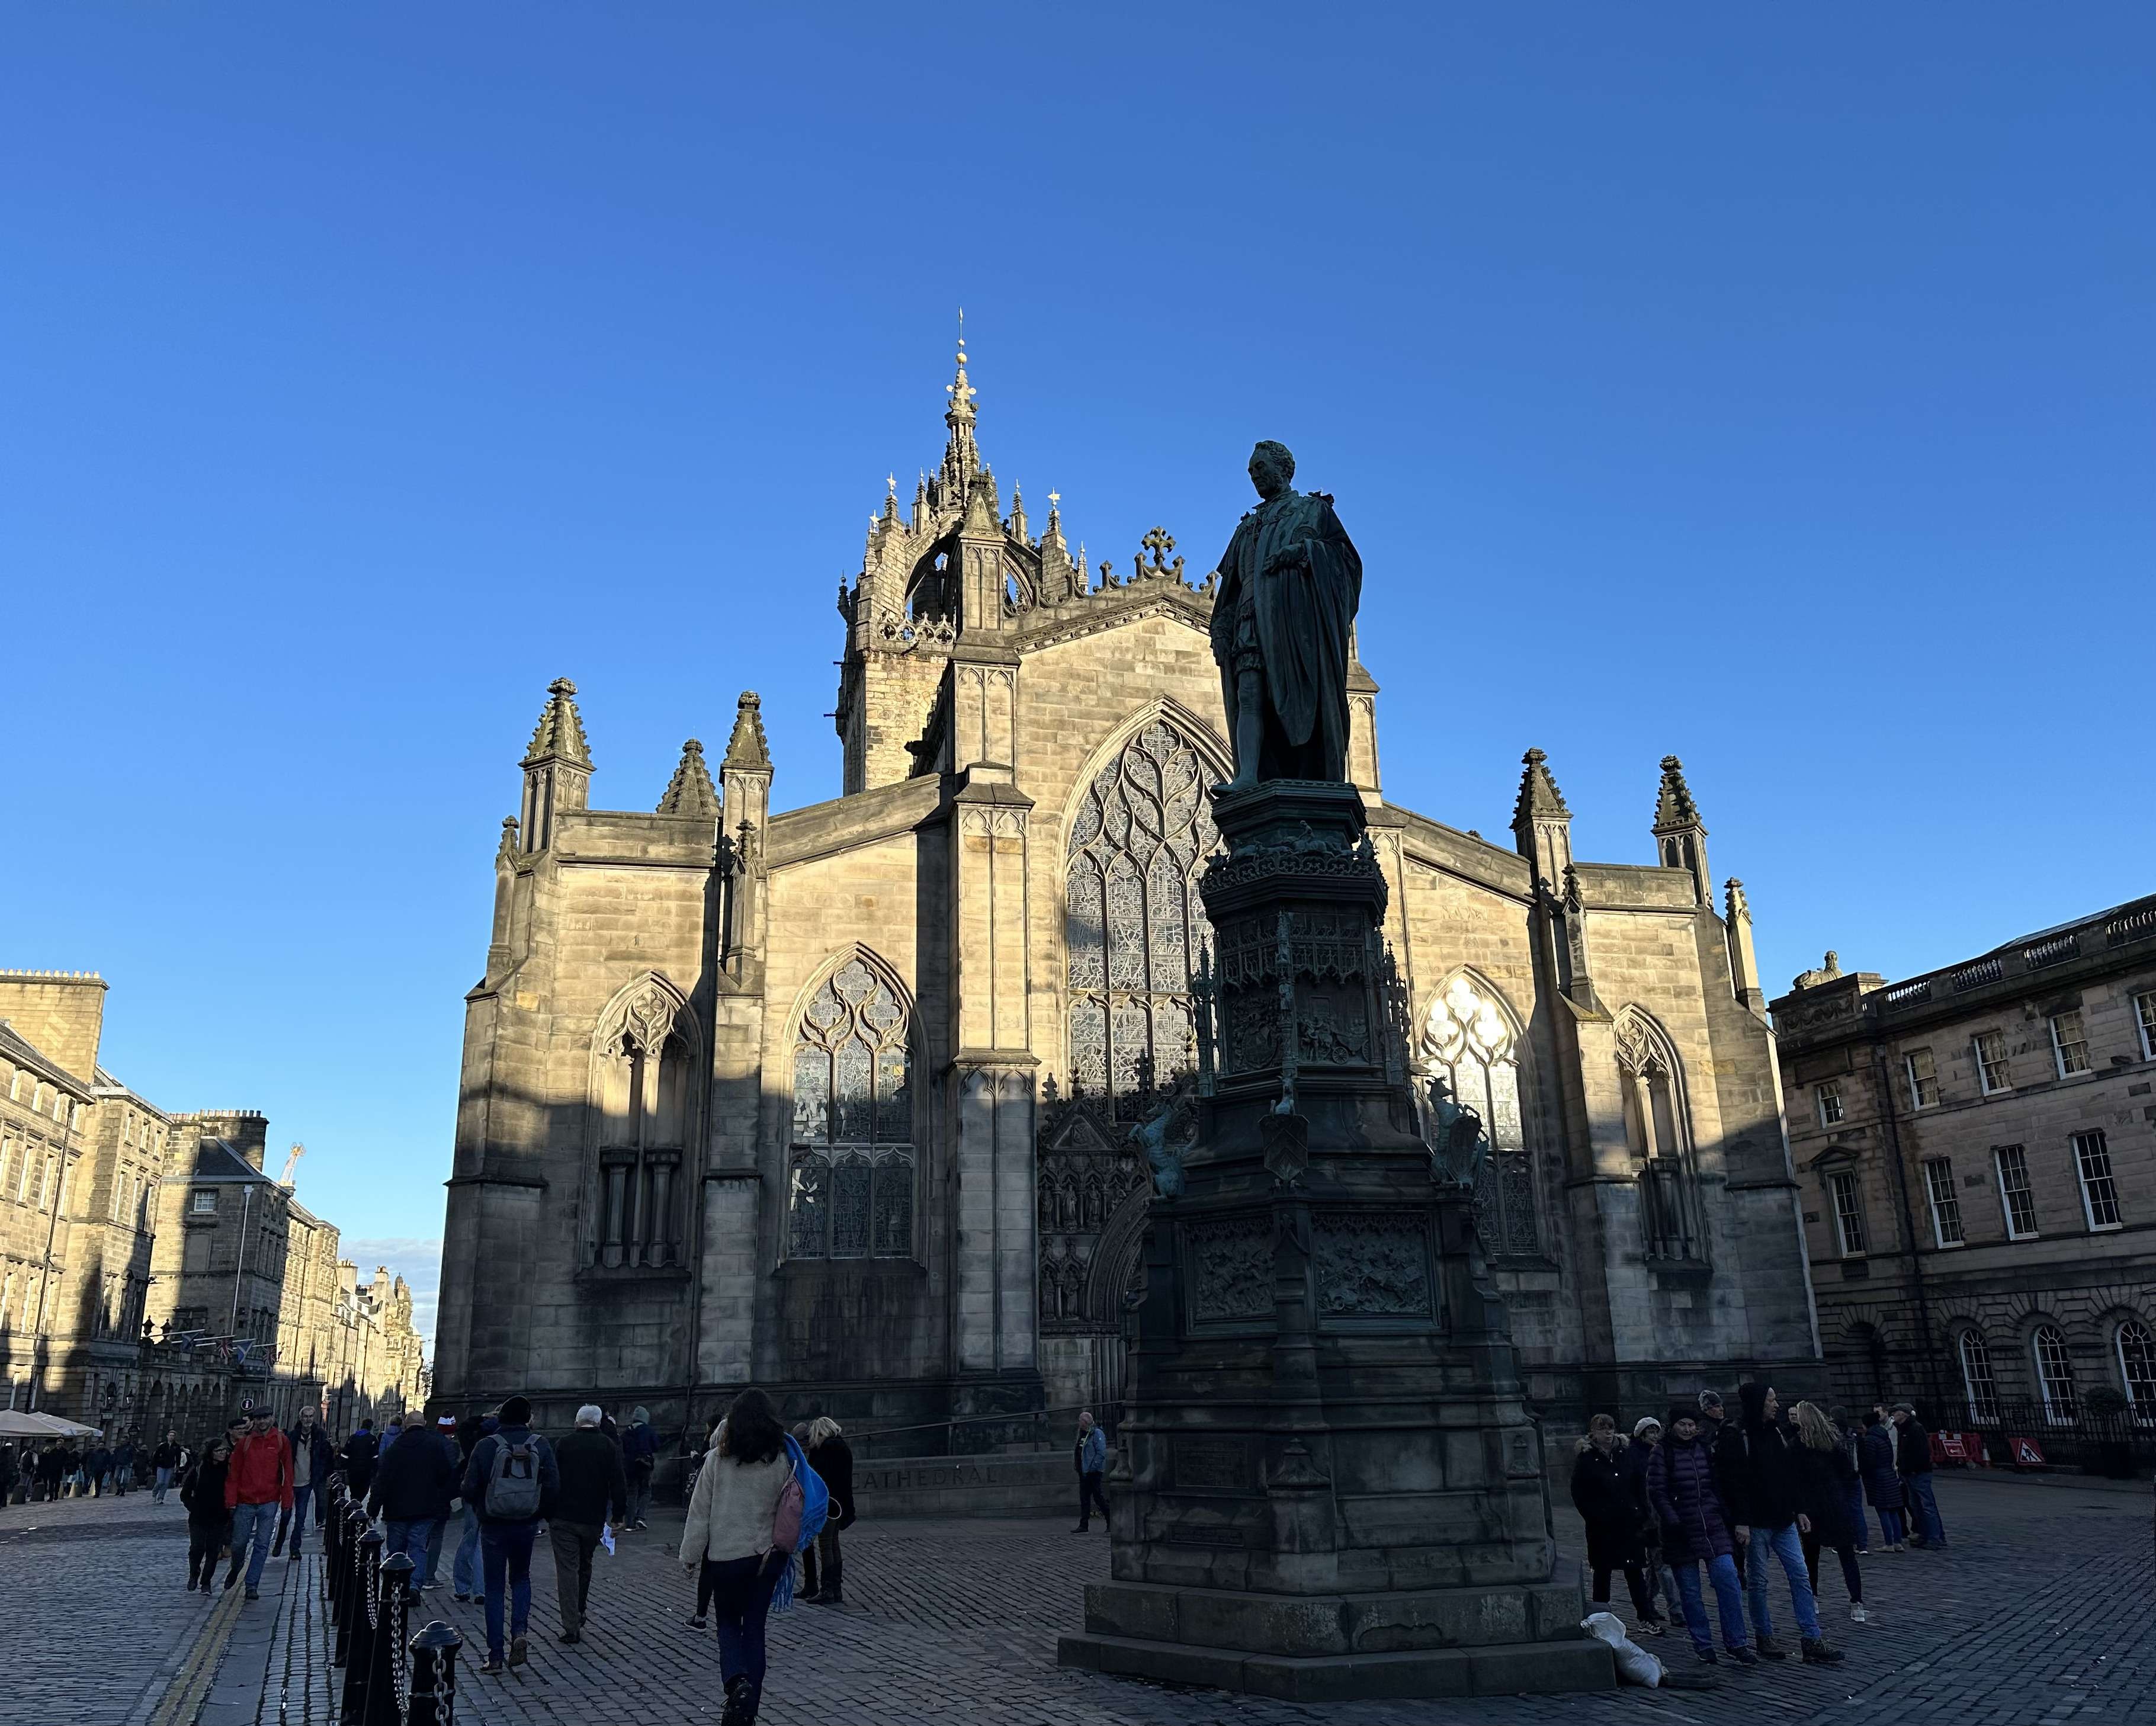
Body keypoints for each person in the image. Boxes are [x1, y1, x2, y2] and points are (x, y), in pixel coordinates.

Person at [679, 1389, 795, 1726]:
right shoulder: (781, 1459)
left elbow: (700, 1512)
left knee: (728, 1625)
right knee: (755, 1629)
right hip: (767, 1557)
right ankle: (748, 1709)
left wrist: (690, 1554)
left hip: (727, 1557)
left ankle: (736, 1683)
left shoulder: (716, 1459)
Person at [1724, 1384, 1843, 1664]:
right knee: (1759, 1582)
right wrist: (1741, 1521)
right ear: (1758, 1403)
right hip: (1756, 1522)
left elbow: (1788, 1474)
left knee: (1800, 1576)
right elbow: (1734, 1482)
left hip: (1783, 1519)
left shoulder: (1776, 1432)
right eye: (1771, 1400)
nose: (1776, 1405)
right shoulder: (1737, 1435)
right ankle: (1764, 1635)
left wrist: (1799, 1508)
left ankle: (1811, 1638)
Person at [1647, 1407, 1753, 1664]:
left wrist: (1725, 1513)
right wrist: (1673, 1520)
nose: (1687, 1429)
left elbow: (1716, 1483)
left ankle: (1737, 1642)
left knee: (1729, 1580)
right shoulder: (1662, 1452)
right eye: (1683, 1424)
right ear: (1673, 1426)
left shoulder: (1705, 1448)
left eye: (1691, 1424)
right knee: (1691, 1593)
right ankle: (1703, 1644)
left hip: (1712, 1524)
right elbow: (1657, 1491)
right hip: (1680, 1531)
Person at [464, 1395, 559, 1676]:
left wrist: (483, 1505)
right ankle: (519, 1631)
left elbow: (469, 1488)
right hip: (526, 1524)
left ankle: (495, 1656)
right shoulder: (540, 1444)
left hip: (493, 1525)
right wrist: (537, 1512)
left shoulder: (485, 1446)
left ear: (500, 1418)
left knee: (494, 1588)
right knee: (521, 1578)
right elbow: (554, 1486)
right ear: (528, 1418)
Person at [1571, 1414, 1660, 1632]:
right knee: (1603, 1573)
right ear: (1593, 1432)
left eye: (1611, 1428)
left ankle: (1645, 1616)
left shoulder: (1625, 1453)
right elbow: (1580, 1493)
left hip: (1630, 1521)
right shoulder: (1587, 1459)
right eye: (1602, 1429)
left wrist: (1642, 1513)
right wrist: (1595, 1516)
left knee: (1635, 1571)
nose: (1608, 1433)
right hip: (1602, 1526)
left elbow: (1639, 1483)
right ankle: (1602, 1620)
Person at [550, 1404, 628, 1644]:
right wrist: (618, 1516)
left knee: (567, 1571)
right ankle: (580, 1609)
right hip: (592, 1519)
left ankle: (571, 1625)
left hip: (563, 1518)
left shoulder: (563, 1443)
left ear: (577, 1422)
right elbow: (618, 1482)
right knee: (585, 1564)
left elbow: (552, 1480)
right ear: (597, 1423)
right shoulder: (608, 1446)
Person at [1791, 1401, 1869, 1624]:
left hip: (1812, 1506)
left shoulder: (1797, 1445)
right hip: (1836, 1503)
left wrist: (1800, 1508)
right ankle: (1857, 1604)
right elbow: (1848, 1474)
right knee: (1847, 1557)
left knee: (1811, 1558)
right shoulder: (1834, 1442)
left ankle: (1813, 1599)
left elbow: (1794, 1479)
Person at [368, 1401, 457, 1576]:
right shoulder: (435, 1446)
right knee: (418, 1548)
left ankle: (395, 1584)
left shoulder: (395, 1449)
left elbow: (382, 1481)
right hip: (425, 1509)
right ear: (424, 1424)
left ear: (406, 1426)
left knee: (396, 1551)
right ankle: (415, 1586)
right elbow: (446, 1476)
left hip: (396, 1510)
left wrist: (373, 1508)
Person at [223, 1404, 294, 1600]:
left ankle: (252, 1585)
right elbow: (234, 1475)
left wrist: (287, 1501)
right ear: (255, 1421)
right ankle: (236, 1569)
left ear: (272, 1418)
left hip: (269, 1501)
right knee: (239, 1544)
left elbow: (288, 1473)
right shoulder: (244, 1444)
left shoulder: (281, 1441)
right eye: (259, 1419)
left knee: (262, 1545)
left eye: (266, 1418)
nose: (262, 1422)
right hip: (245, 1501)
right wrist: (231, 1501)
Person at [1626, 1417, 1682, 1630]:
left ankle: (1649, 1602)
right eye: (1649, 1432)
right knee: (1662, 1564)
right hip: (1647, 1518)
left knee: (1657, 1563)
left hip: (1662, 1516)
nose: (1653, 1436)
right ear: (1641, 1434)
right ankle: (1675, 1610)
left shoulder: (1660, 1453)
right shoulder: (1634, 1456)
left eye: (1656, 1431)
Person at [801, 1416, 855, 1608]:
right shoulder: (842, 1446)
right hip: (841, 1503)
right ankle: (836, 1589)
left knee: (826, 1545)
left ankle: (827, 1589)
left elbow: (818, 1477)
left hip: (829, 1503)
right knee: (833, 1544)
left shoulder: (827, 1449)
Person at [181, 1429, 240, 1592]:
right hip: (199, 1517)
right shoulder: (200, 1469)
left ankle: (206, 1582)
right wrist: (193, 1507)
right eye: (219, 1451)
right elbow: (185, 1493)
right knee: (197, 1548)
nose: (223, 1453)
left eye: (224, 1450)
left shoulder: (228, 1471)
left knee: (213, 1551)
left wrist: (229, 1510)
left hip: (219, 1517)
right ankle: (194, 1575)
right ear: (211, 1452)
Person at [278, 1406, 335, 1559]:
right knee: (285, 1515)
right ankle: (279, 1540)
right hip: (290, 1482)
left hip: (307, 1483)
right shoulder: (292, 1436)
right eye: (305, 1417)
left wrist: (326, 1475)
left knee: (301, 1517)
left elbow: (327, 1457)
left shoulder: (320, 1436)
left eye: (311, 1417)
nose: (308, 1420)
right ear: (300, 1418)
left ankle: (294, 1549)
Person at [1891, 1404, 1947, 1548]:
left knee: (1927, 1506)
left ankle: (1936, 1538)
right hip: (1909, 1473)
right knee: (1917, 1507)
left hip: (1918, 1473)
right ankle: (1927, 1535)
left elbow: (1922, 1452)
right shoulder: (1904, 1429)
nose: (1893, 1415)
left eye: (1895, 1412)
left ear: (1904, 1414)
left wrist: (1914, 1469)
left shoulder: (1915, 1428)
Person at [418, 1414, 462, 1589]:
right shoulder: (450, 1448)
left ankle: (417, 1574)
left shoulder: (426, 1442)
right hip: (440, 1498)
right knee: (436, 1537)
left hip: (422, 1496)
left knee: (421, 1536)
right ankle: (428, 1576)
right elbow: (450, 1475)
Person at [451, 1413, 491, 1602]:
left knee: (471, 1538)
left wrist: (481, 1416)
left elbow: (463, 1428)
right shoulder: (506, 1437)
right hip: (498, 1495)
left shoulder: (477, 1439)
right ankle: (481, 1589)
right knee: (483, 1542)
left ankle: (463, 1587)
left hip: (475, 1494)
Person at [1860, 1410, 1907, 1550]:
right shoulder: (1884, 1436)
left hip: (1878, 1478)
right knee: (1893, 1511)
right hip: (1889, 1474)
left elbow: (1870, 1460)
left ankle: (1889, 1543)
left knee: (1883, 1511)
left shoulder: (1870, 1439)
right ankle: (1898, 1542)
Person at [1830, 1408, 1870, 1554]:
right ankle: (1862, 1545)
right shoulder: (1853, 1431)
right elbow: (1863, 1455)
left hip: (1838, 1478)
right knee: (1857, 1510)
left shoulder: (1831, 1431)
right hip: (1854, 1476)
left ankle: (1844, 1543)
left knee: (1840, 1511)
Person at [621, 1406, 659, 1531]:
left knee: (632, 1492)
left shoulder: (627, 1432)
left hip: (630, 1466)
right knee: (646, 1490)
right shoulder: (648, 1430)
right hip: (645, 1464)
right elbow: (656, 1446)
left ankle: (630, 1524)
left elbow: (623, 1449)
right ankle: (641, 1517)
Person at [1073, 1410, 1109, 1533]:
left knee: (1098, 1498)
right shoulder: (1082, 1433)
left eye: (1080, 1420)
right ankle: (1084, 1525)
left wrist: (1093, 1468)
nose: (1079, 1423)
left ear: (1085, 1422)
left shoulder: (1097, 1433)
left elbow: (1101, 1453)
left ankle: (1110, 1520)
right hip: (1083, 1472)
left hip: (1093, 1472)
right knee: (1084, 1498)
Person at [341, 1419, 380, 1498]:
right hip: (366, 1472)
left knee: (354, 1492)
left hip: (353, 1471)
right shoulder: (372, 1439)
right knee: (363, 1492)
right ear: (370, 1427)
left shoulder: (353, 1438)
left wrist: (345, 1467)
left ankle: (353, 1505)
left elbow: (345, 1454)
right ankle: (356, 1505)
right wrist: (374, 1471)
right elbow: (375, 1457)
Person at [153, 1430, 183, 1506]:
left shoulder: (176, 1446)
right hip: (161, 1466)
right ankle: (155, 1492)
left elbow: (178, 1457)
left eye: (173, 1436)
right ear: (167, 1436)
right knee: (160, 1482)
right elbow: (156, 1455)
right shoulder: (163, 1445)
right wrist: (156, 1463)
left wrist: (178, 1466)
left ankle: (161, 1498)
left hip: (170, 1466)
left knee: (166, 1483)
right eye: (170, 1435)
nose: (172, 1437)